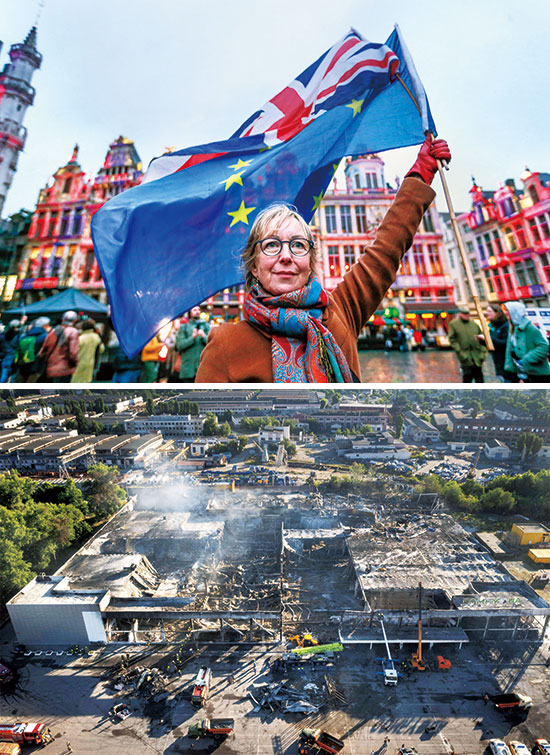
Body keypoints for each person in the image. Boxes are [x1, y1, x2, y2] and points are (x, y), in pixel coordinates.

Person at [195, 135, 451, 382]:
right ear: (253, 266)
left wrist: (422, 172)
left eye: (297, 245)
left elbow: (387, 248)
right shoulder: (225, 344)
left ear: (310, 262)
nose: (286, 256)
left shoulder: (340, 312)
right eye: (272, 245)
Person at [503, 301, 550, 382]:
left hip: (537, 374)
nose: (505, 312)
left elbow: (543, 346)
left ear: (516, 312)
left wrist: (525, 360)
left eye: (508, 310)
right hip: (520, 373)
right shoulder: (512, 328)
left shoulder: (530, 328)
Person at [38, 310, 80, 382]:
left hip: (50, 367)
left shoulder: (55, 330)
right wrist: (75, 363)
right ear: (75, 320)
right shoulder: (73, 331)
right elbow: (73, 353)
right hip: (64, 369)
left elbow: (44, 349)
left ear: (63, 319)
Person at [448, 305, 486, 382]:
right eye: (465, 314)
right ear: (460, 314)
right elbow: (452, 339)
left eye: (468, 314)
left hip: (477, 356)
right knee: (467, 378)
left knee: (479, 378)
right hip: (465, 356)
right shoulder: (454, 324)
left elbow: (481, 338)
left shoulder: (473, 324)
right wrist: (460, 352)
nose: (467, 316)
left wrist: (483, 352)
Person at [176, 306, 210, 382]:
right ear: (190, 313)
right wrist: (192, 338)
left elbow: (212, 343)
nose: (197, 311)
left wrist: (203, 336)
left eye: (198, 310)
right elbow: (179, 345)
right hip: (188, 368)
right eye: (194, 310)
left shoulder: (206, 326)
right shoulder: (184, 327)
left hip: (203, 368)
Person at [14, 316, 51, 382]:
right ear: (45, 325)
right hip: (36, 365)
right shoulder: (45, 336)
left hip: (23, 364)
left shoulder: (25, 335)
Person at [481, 303, 511, 381]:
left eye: (489, 311)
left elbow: (505, 344)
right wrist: (483, 341)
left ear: (497, 313)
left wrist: (489, 339)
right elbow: (492, 346)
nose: (487, 313)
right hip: (498, 363)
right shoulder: (493, 326)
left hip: (506, 363)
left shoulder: (505, 326)